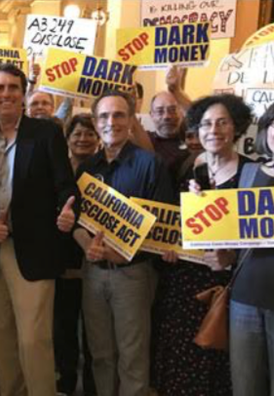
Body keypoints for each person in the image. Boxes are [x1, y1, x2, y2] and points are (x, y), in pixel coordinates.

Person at [0, 63, 77, 396]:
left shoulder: (45, 133)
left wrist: (69, 208)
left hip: (35, 251)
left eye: (13, 88)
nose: (6, 94)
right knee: (1, 335)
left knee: (34, 340)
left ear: (24, 93)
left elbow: (65, 185)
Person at [74, 90, 175, 396]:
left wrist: (125, 253)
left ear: (131, 120)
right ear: (95, 121)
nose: (111, 122)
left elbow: (164, 227)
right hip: (93, 274)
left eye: (119, 115)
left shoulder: (150, 164)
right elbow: (79, 222)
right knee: (101, 355)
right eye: (104, 116)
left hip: (133, 275)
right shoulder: (86, 169)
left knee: (132, 357)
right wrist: (86, 246)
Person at [153, 94, 253, 396]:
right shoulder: (187, 168)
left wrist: (232, 257)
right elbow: (174, 222)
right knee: (183, 358)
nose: (214, 130)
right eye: (206, 123)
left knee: (221, 362)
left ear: (236, 127)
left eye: (222, 122)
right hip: (185, 283)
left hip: (229, 286)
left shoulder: (252, 174)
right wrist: (168, 248)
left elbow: (262, 235)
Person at [228, 102, 274, 396]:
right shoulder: (248, 173)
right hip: (245, 298)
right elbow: (230, 231)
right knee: (245, 387)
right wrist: (203, 199)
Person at [55, 114, 99, 396]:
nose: (83, 139)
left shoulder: (102, 169)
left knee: (95, 332)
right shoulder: (59, 170)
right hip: (62, 259)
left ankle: (93, 385)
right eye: (77, 134)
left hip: (96, 258)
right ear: (68, 138)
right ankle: (66, 380)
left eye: (89, 134)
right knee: (64, 327)